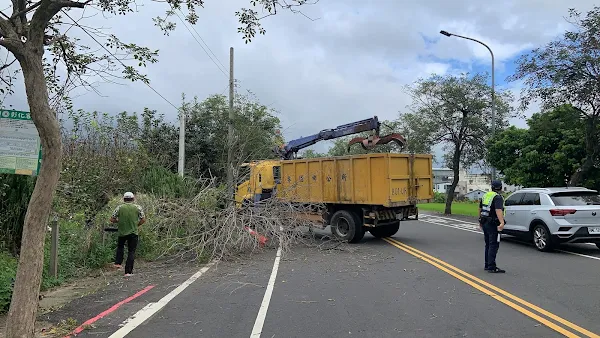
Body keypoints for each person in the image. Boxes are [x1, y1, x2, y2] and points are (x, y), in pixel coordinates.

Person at [110, 192, 146, 276]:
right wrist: (136, 224)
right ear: (133, 199)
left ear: (124, 199)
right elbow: (143, 219)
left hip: (122, 232)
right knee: (131, 251)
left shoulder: (119, 208)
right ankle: (128, 272)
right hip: (133, 233)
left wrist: (119, 221)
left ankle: (118, 263)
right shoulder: (138, 207)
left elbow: (112, 219)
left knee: (120, 247)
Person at [478, 180, 506, 273]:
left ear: (492, 187)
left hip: (485, 222)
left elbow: (480, 208)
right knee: (493, 245)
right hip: (493, 224)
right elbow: (498, 210)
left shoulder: (486, 195)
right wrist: (502, 222)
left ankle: (487, 264)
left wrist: (480, 220)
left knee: (488, 244)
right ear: (500, 188)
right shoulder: (498, 197)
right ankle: (491, 266)